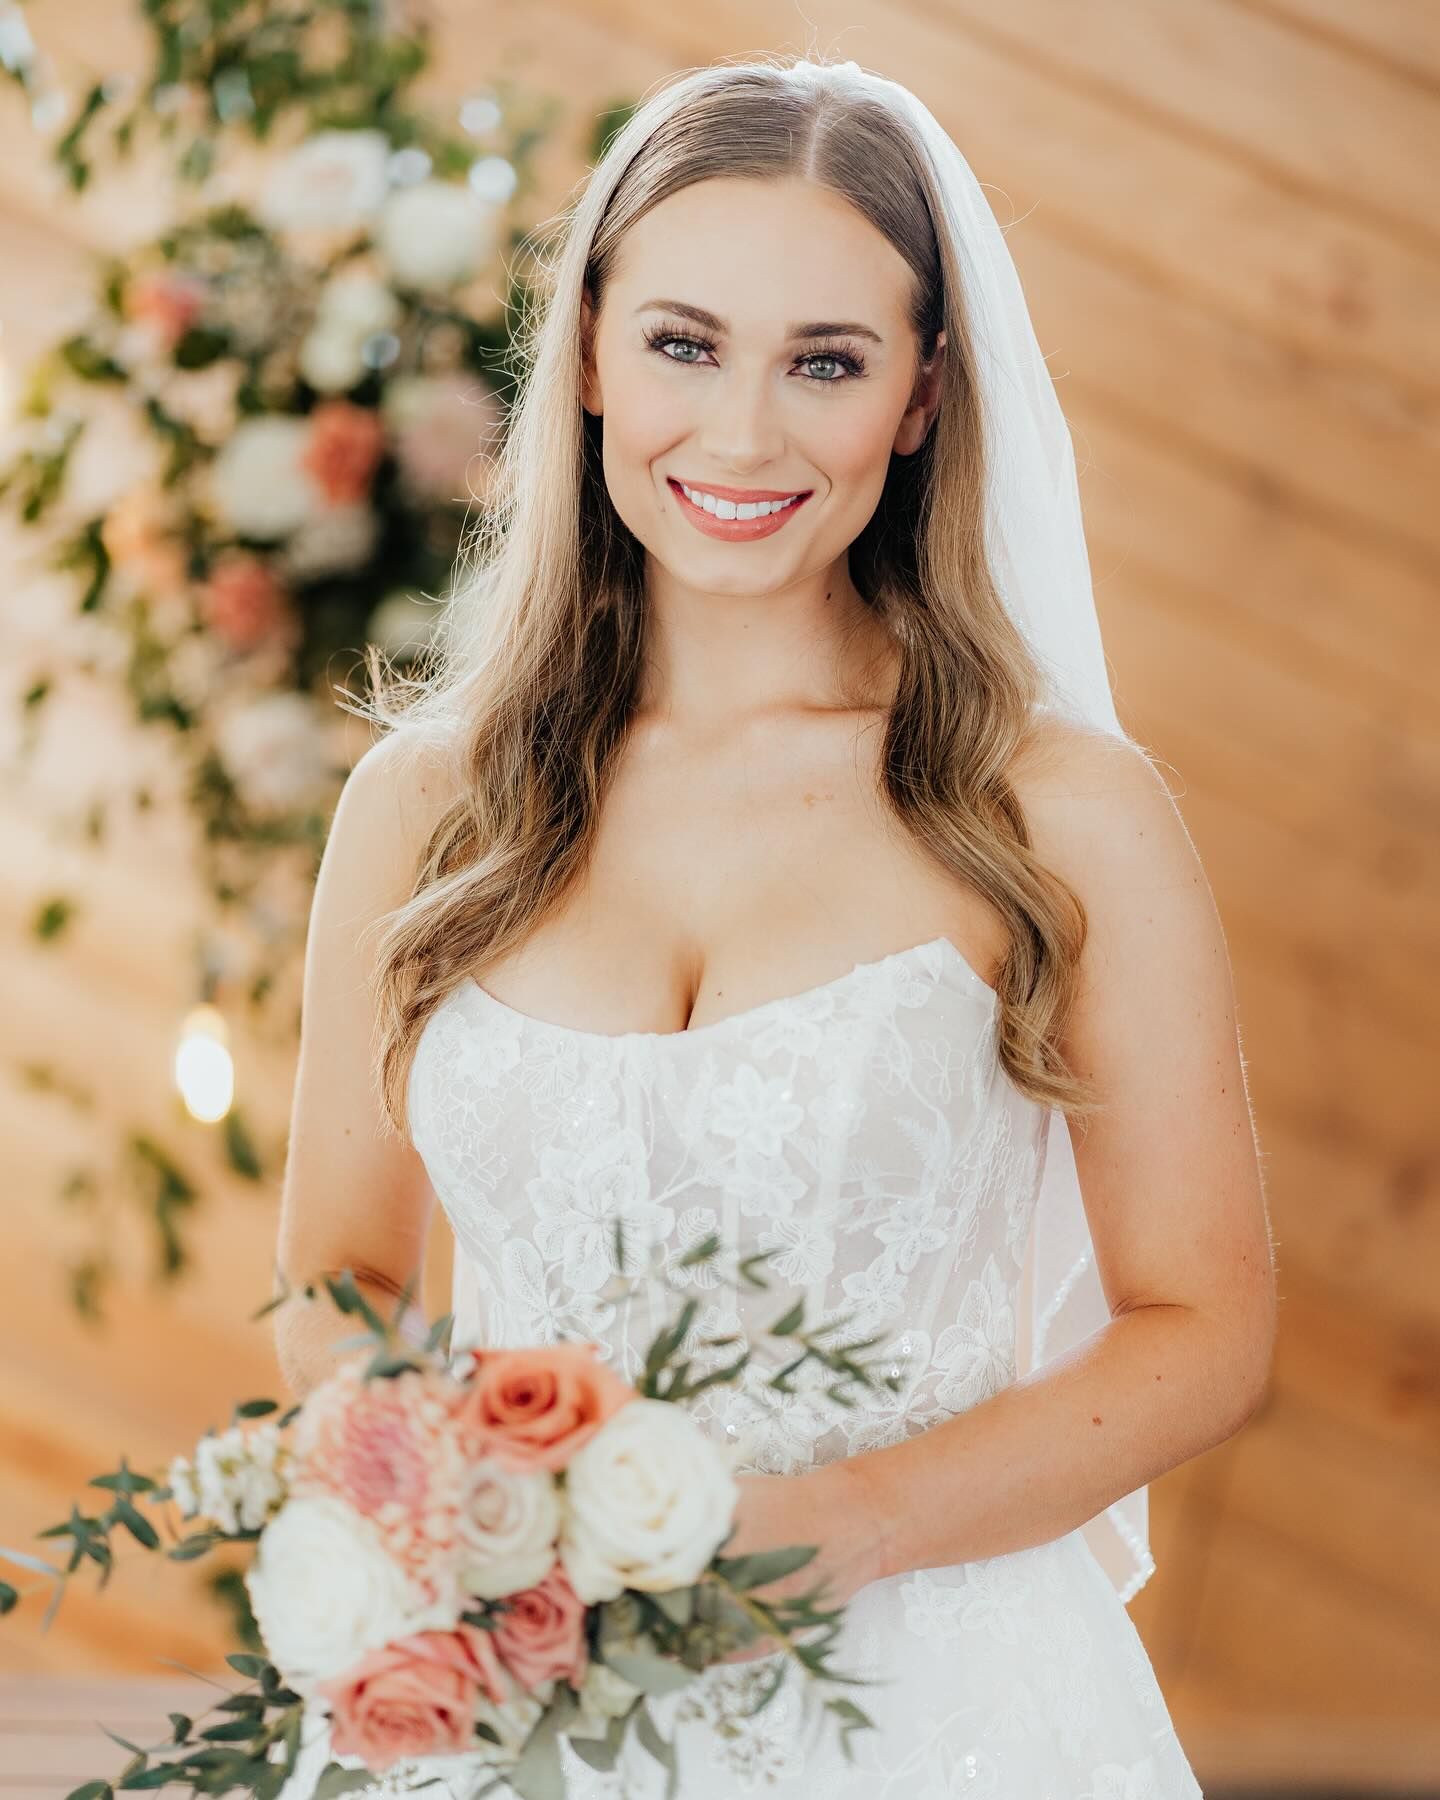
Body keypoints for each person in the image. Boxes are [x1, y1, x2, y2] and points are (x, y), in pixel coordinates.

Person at [270, 51, 1275, 1800]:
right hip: (517, 1690)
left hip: (948, 1707)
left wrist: (844, 1533)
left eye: (825, 362)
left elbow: (1204, 1326)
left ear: (920, 397)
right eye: (683, 343)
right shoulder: (426, 809)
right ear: (586, 350)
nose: (741, 434)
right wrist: (441, 1506)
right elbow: (335, 1276)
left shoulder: (1059, 814)